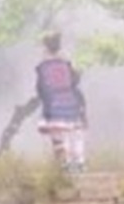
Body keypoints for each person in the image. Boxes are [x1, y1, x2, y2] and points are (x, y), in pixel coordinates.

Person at [33, 33, 89, 169]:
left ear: (46, 47)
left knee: (59, 134)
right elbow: (74, 81)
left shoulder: (43, 66)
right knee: (74, 133)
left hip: (53, 104)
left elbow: (41, 88)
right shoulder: (67, 63)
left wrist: (46, 102)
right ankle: (79, 162)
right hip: (70, 102)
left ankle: (65, 163)